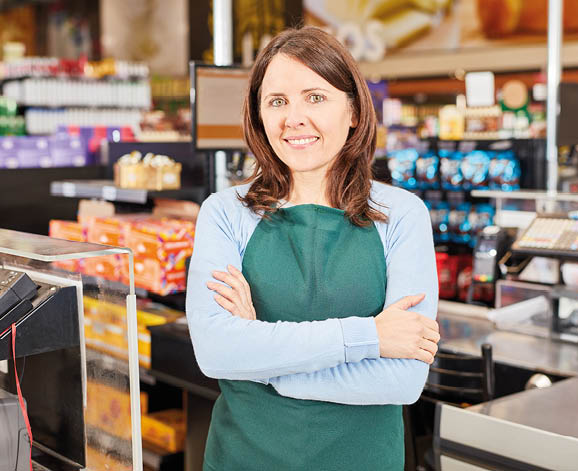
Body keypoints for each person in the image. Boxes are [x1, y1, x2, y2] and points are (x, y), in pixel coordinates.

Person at [186, 26, 440, 471]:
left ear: (355, 111)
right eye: (277, 101)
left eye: (315, 97)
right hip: (244, 460)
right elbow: (216, 352)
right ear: (259, 115)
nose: (294, 118)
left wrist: (264, 365)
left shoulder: (402, 214)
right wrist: (371, 337)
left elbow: (402, 379)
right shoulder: (225, 213)